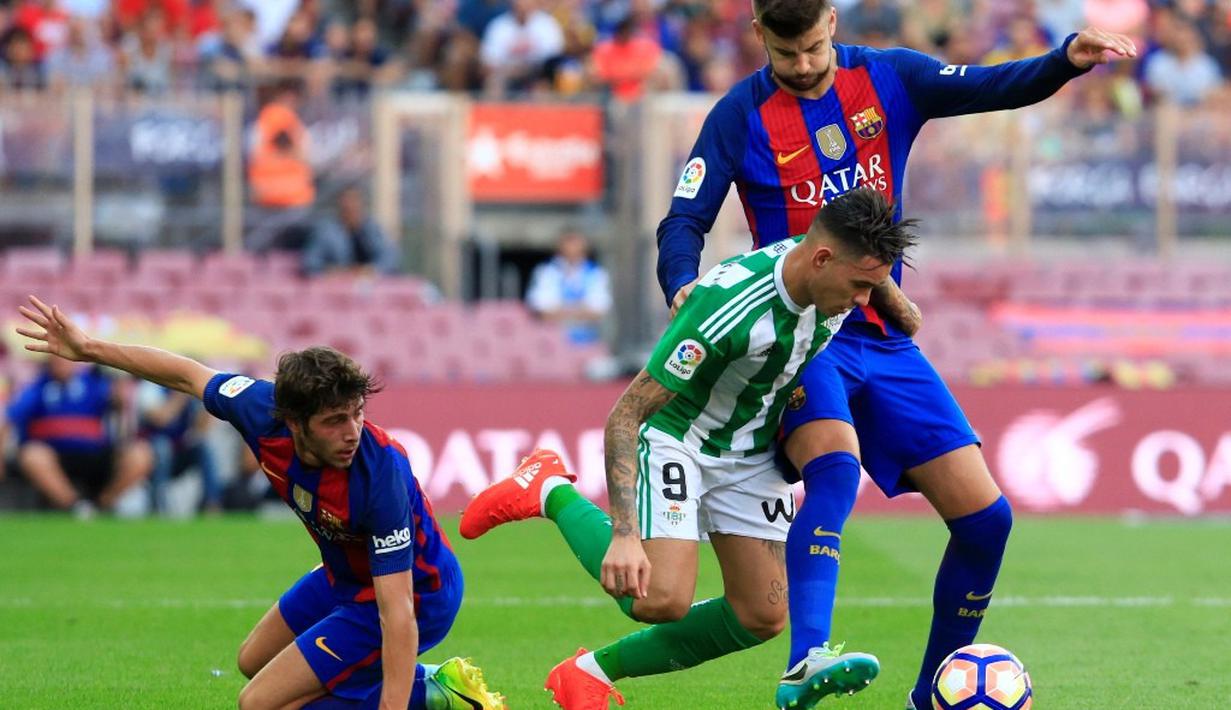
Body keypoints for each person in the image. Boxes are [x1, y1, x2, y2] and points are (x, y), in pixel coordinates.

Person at [653, 2, 1138, 708]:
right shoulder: (737, 115)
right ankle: (806, 659)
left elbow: (993, 86)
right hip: (799, 335)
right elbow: (683, 217)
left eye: (813, 48)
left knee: (985, 520)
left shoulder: (891, 80)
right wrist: (680, 283)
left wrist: (1063, 58)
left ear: (830, 21)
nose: (802, 66)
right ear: (760, 34)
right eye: (785, 54)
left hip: (881, 336)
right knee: (833, 466)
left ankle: (933, 692)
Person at [461, 189, 918, 710]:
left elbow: (887, 300)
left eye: (872, 285)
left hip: (750, 451)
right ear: (821, 259)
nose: (863, 301)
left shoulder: (832, 271)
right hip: (681, 437)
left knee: (762, 615)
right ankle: (548, 489)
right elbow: (626, 414)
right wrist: (626, 535)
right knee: (659, 599)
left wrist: (895, 301)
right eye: (860, 286)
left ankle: (587, 673)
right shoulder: (726, 310)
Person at [14, 296, 506, 710]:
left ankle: (432, 693)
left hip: (416, 591)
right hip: (344, 575)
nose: (351, 432)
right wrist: (89, 348)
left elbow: (397, 614)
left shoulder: (380, 476)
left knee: (261, 703)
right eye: (335, 420)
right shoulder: (258, 409)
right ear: (292, 421)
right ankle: (433, 687)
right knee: (252, 661)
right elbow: (186, 374)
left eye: (356, 415)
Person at [0, 355, 153, 517]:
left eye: (65, 359)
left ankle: (104, 504)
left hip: (95, 453)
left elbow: (117, 405)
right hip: (55, 454)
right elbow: (9, 419)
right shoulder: (37, 387)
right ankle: (74, 506)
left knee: (141, 454)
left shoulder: (94, 384)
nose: (61, 363)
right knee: (32, 455)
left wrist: (120, 395)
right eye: (56, 359)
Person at [136, 381, 223, 515]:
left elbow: (200, 430)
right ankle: (159, 506)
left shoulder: (192, 391)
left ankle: (211, 504)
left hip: (179, 452)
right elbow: (161, 419)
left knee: (204, 448)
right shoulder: (151, 387)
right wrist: (180, 395)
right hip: (152, 454)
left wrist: (209, 406)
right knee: (162, 446)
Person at [524, 228, 612, 346]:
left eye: (576, 244)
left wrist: (561, 311)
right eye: (569, 243)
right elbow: (543, 312)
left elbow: (598, 312)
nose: (572, 248)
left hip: (589, 344)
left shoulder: (596, 273)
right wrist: (581, 310)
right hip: (550, 345)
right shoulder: (546, 272)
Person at [302, 186, 402, 278]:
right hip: (336, 287)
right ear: (340, 207)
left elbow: (390, 257)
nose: (351, 208)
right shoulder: (326, 231)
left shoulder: (371, 228)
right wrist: (334, 271)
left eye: (355, 204)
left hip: (370, 287)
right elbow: (310, 263)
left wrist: (370, 270)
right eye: (347, 205)